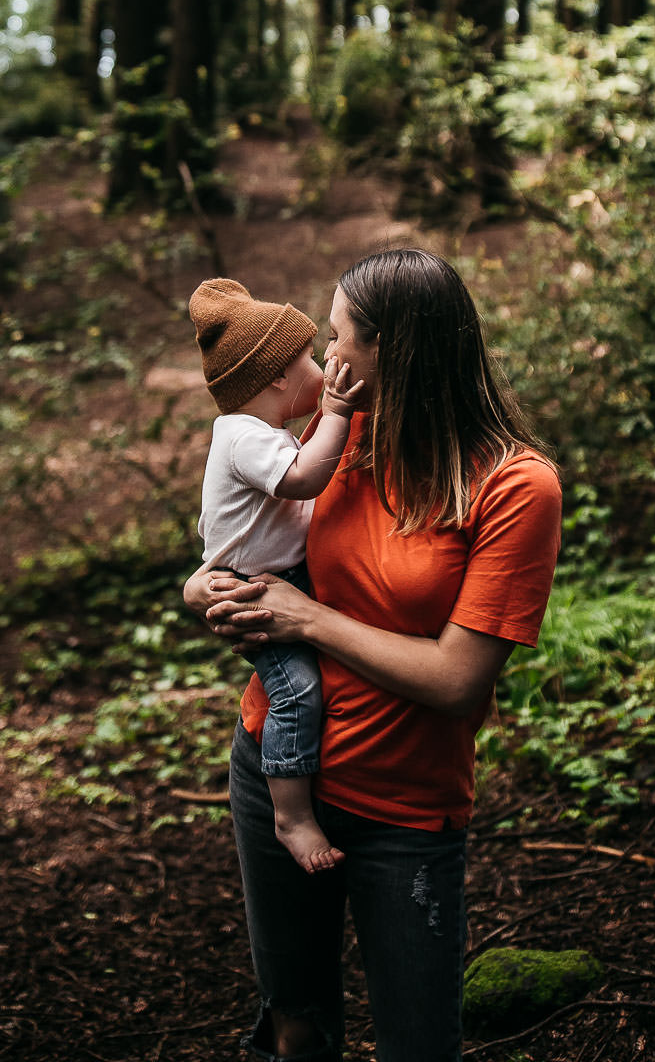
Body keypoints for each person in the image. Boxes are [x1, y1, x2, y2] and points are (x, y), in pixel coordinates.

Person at [185, 249, 563, 1062]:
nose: (324, 357)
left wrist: (306, 620)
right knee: (297, 1023)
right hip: (276, 771)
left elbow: (459, 681)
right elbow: (243, 540)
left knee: (419, 1044)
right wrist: (203, 592)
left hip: (404, 804)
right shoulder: (341, 442)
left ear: (396, 347)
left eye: (336, 337)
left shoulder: (514, 485)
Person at [189, 277, 367, 875]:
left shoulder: (257, 434)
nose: (323, 364)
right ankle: (290, 815)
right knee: (297, 692)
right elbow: (304, 482)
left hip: (277, 574)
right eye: (311, 357)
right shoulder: (243, 437)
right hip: (259, 587)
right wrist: (338, 413)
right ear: (277, 378)